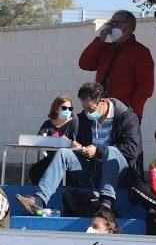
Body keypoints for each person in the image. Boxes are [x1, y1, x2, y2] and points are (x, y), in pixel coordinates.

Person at [16, 82, 141, 216]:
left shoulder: (126, 117)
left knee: (111, 151)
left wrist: (98, 151)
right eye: (84, 109)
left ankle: (106, 205)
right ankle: (39, 200)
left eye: (91, 109)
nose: (87, 113)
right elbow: (80, 143)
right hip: (93, 170)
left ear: (102, 102)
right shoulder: (83, 118)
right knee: (64, 153)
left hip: (120, 172)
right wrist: (77, 146)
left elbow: (132, 149)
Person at [78, 10, 155, 120]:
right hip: (101, 111)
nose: (110, 28)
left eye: (115, 24)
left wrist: (131, 110)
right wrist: (99, 41)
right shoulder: (106, 48)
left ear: (127, 27)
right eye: (110, 23)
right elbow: (84, 64)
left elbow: (145, 86)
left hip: (125, 113)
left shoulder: (140, 52)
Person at [28, 95, 77, 185]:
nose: (67, 111)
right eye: (64, 108)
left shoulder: (74, 122)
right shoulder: (48, 123)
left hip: (66, 161)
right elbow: (39, 138)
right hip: (50, 158)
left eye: (70, 109)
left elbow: (75, 142)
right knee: (35, 171)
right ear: (56, 109)